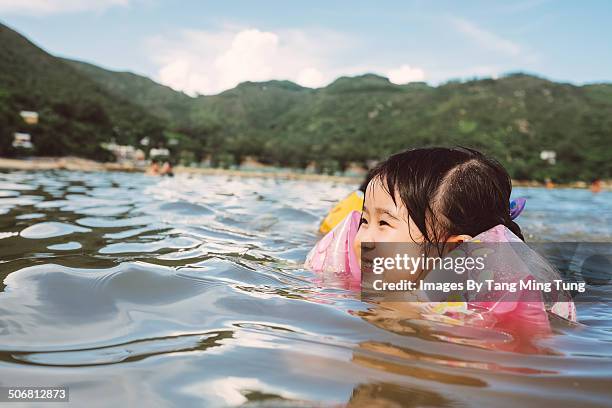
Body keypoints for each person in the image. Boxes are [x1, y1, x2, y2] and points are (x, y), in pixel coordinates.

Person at [305, 147, 576, 334]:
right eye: (365, 221)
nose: (364, 239)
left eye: (384, 223)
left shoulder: (471, 314)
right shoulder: (350, 276)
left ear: (454, 249)